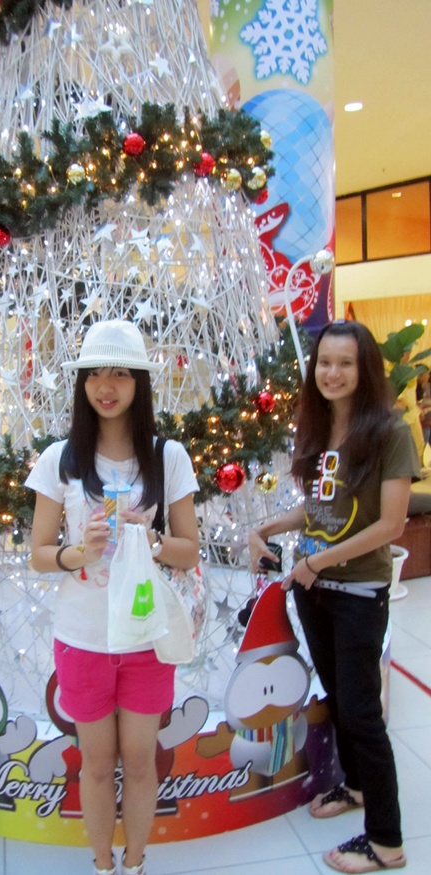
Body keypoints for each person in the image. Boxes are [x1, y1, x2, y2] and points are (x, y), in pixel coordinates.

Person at [25, 320, 200, 875]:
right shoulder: (60, 459)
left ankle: (136, 861)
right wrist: (79, 552)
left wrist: (152, 541)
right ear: (81, 383)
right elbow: (38, 554)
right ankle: (103, 864)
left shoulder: (168, 456)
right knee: (97, 765)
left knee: (141, 762)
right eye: (95, 374)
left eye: (120, 374)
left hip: (146, 636)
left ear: (139, 383)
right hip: (82, 638)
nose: (106, 386)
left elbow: (191, 550)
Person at [249, 320, 418, 874]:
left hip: (357, 593)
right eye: (325, 362)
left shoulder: (390, 432)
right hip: (315, 590)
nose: (332, 372)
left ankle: (386, 842)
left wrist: (316, 562)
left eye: (345, 363)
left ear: (364, 369)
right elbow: (320, 510)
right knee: (341, 697)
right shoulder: (319, 429)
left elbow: (391, 525)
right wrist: (268, 527)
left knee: (363, 713)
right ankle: (356, 785)